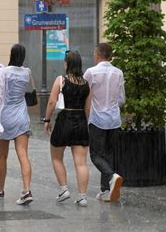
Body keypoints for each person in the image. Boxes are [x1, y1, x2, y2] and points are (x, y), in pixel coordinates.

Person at [0, 44, 34, 205]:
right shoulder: (27, 72)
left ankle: (0, 190)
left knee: (2, 156)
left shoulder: (3, 72)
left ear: (11, 54)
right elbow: (13, 72)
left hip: (5, 117)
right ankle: (26, 190)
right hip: (21, 117)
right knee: (23, 154)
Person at [43, 51, 91, 207]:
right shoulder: (86, 84)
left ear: (67, 64)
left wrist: (47, 120)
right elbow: (87, 108)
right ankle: (82, 196)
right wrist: (84, 123)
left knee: (56, 156)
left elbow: (51, 102)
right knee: (81, 162)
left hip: (64, 120)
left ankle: (64, 189)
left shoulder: (61, 80)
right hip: (80, 121)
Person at [83, 43, 125, 202]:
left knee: (95, 155)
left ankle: (112, 176)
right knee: (108, 155)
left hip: (97, 119)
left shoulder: (91, 73)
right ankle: (106, 190)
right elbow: (121, 99)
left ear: (97, 54)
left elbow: (84, 94)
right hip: (114, 119)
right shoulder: (118, 73)